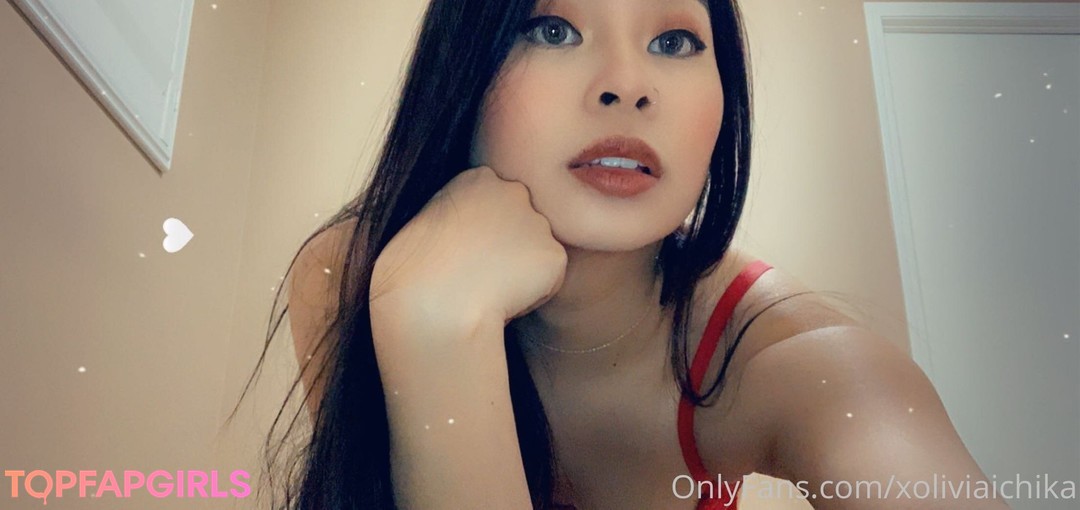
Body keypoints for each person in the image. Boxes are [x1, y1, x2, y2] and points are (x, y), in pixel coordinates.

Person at [230, 0, 1010, 508]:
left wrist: (437, 334)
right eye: (552, 29)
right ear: (460, 67)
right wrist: (434, 331)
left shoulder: (805, 365)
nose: (627, 85)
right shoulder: (349, 277)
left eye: (674, 40)